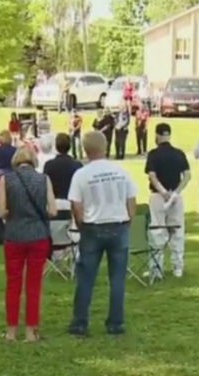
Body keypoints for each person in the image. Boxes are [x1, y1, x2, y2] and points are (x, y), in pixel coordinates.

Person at [67, 131, 137, 337]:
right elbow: (131, 200)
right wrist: (127, 221)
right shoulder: (121, 171)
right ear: (106, 147)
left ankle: (80, 322)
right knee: (117, 279)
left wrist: (81, 225)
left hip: (92, 226)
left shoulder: (81, 174)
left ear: (85, 150)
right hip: (119, 225)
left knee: (86, 277)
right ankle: (115, 323)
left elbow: (76, 205)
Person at [0, 146, 57, 343]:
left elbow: (0, 212)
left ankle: (11, 332)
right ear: (34, 160)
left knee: (13, 284)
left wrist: (10, 214)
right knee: (33, 285)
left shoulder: (6, 179)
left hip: (14, 235)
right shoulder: (44, 179)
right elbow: (53, 211)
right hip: (38, 235)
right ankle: (31, 331)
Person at [144, 122, 191, 279]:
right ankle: (178, 266)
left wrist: (163, 192)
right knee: (177, 230)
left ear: (157, 135)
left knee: (157, 230)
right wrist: (175, 193)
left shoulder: (153, 154)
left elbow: (152, 175)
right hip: (176, 197)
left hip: (158, 197)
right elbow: (187, 176)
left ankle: (157, 268)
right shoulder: (179, 154)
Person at [44, 133, 82, 201]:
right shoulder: (77, 165)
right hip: (72, 202)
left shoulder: (49, 165)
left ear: (56, 146)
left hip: (55, 203)